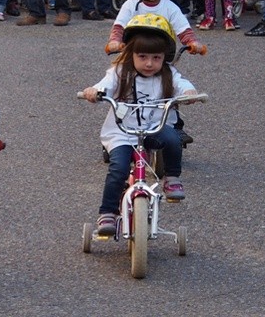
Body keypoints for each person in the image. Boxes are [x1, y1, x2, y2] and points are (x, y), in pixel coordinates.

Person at [82, 13, 198, 236]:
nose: (149, 63)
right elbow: (105, 84)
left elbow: (182, 84)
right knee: (118, 168)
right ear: (130, 54)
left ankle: (172, 177)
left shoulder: (168, 74)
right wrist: (95, 92)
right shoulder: (120, 72)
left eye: (156, 57)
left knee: (174, 139)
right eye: (142, 56)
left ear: (165, 56)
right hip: (122, 132)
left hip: (154, 128)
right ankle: (107, 211)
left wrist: (189, 92)